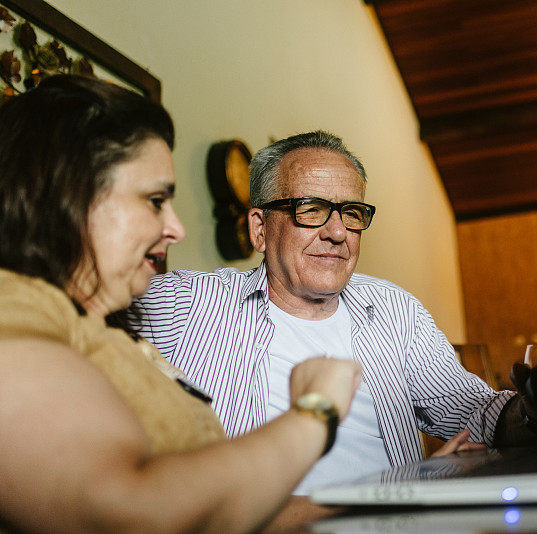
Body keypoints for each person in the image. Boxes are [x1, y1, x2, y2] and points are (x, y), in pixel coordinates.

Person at [135, 131, 537, 496]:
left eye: (352, 212)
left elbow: (478, 415)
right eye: (312, 209)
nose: (338, 232)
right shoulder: (185, 304)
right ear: (260, 228)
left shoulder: (395, 311)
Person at [0, 77, 365, 532]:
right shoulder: (12, 306)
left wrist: (397, 494)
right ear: (67, 196)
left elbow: (217, 506)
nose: (176, 228)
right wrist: (314, 414)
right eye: (155, 201)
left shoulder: (104, 326)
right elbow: (127, 514)